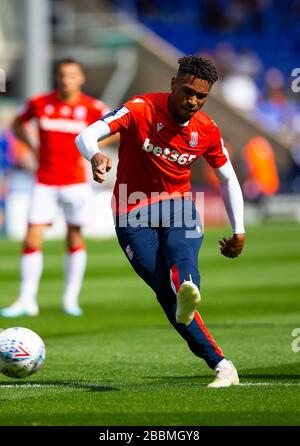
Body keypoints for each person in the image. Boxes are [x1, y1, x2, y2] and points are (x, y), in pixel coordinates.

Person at [75, 56, 246, 387]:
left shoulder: (207, 130)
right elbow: (87, 134)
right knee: (165, 292)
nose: (193, 101)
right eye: (188, 92)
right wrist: (94, 154)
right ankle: (221, 362)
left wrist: (238, 229)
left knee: (182, 260)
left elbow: (227, 178)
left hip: (178, 204)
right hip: (131, 212)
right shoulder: (141, 108)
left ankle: (190, 293)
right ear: (173, 84)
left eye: (201, 97)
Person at [0, 58, 114, 318]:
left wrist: (95, 150)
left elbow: (117, 129)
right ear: (57, 77)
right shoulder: (40, 103)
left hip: (75, 182)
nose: (66, 80)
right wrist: (31, 146)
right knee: (32, 236)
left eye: (72, 75)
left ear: (81, 78)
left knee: (74, 235)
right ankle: (26, 300)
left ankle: (70, 299)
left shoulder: (93, 107)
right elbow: (17, 124)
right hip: (44, 182)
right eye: (62, 75)